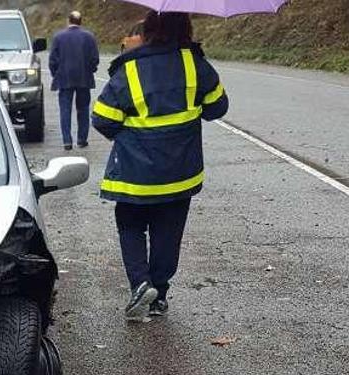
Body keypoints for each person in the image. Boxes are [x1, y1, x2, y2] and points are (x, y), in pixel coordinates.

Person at [91, 12, 229, 321]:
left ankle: (141, 283)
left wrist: (130, 131)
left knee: (130, 226)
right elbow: (218, 107)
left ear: (148, 31)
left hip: (135, 177)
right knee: (169, 233)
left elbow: (102, 118)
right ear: (186, 29)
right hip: (180, 174)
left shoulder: (130, 69)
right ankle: (159, 295)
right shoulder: (195, 64)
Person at [49, 11, 99, 151]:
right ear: (81, 21)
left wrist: (56, 74)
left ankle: (67, 141)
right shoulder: (89, 37)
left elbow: (53, 60)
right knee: (83, 109)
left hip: (64, 78)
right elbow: (94, 59)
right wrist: (90, 70)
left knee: (65, 110)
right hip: (84, 78)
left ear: (68, 20)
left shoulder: (58, 37)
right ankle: (82, 139)